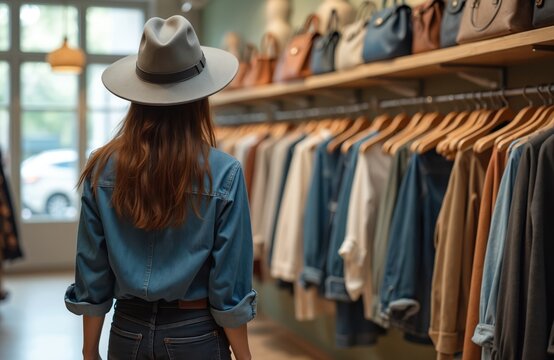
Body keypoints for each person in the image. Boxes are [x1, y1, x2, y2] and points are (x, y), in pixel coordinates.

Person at [64, 15, 256, 360]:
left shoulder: (102, 167)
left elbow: (92, 272)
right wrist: (244, 355)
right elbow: (229, 285)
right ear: (200, 97)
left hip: (126, 331)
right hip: (196, 333)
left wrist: (89, 351)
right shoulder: (224, 173)